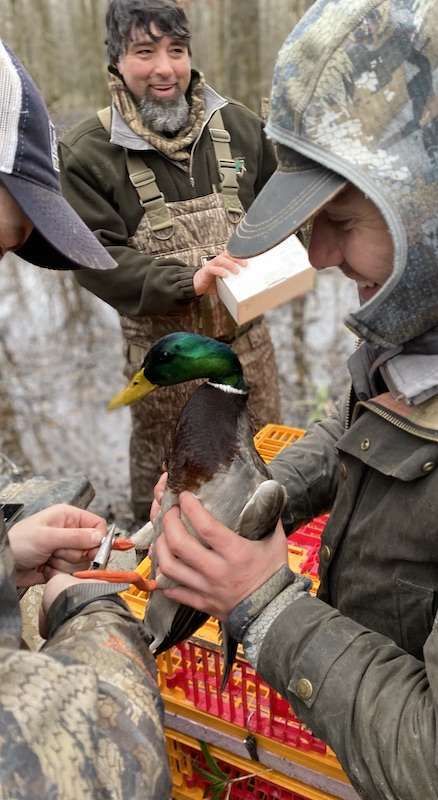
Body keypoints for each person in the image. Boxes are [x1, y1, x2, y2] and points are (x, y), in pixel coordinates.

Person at [151, 0, 438, 798]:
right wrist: (257, 498)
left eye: (344, 220)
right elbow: (381, 403)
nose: (317, 255)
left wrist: (263, 606)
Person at [0, 39, 170, 797]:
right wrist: (92, 609)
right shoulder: (101, 143)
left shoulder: (224, 129)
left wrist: (5, 559)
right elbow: (96, 766)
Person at [58, 0, 282, 527]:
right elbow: (93, 257)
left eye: (176, 50)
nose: (165, 67)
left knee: (266, 487)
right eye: (145, 51)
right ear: (116, 60)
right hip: (163, 365)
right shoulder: (87, 154)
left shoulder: (242, 129)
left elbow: (283, 210)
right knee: (172, 505)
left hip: (251, 350)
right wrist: (189, 280)